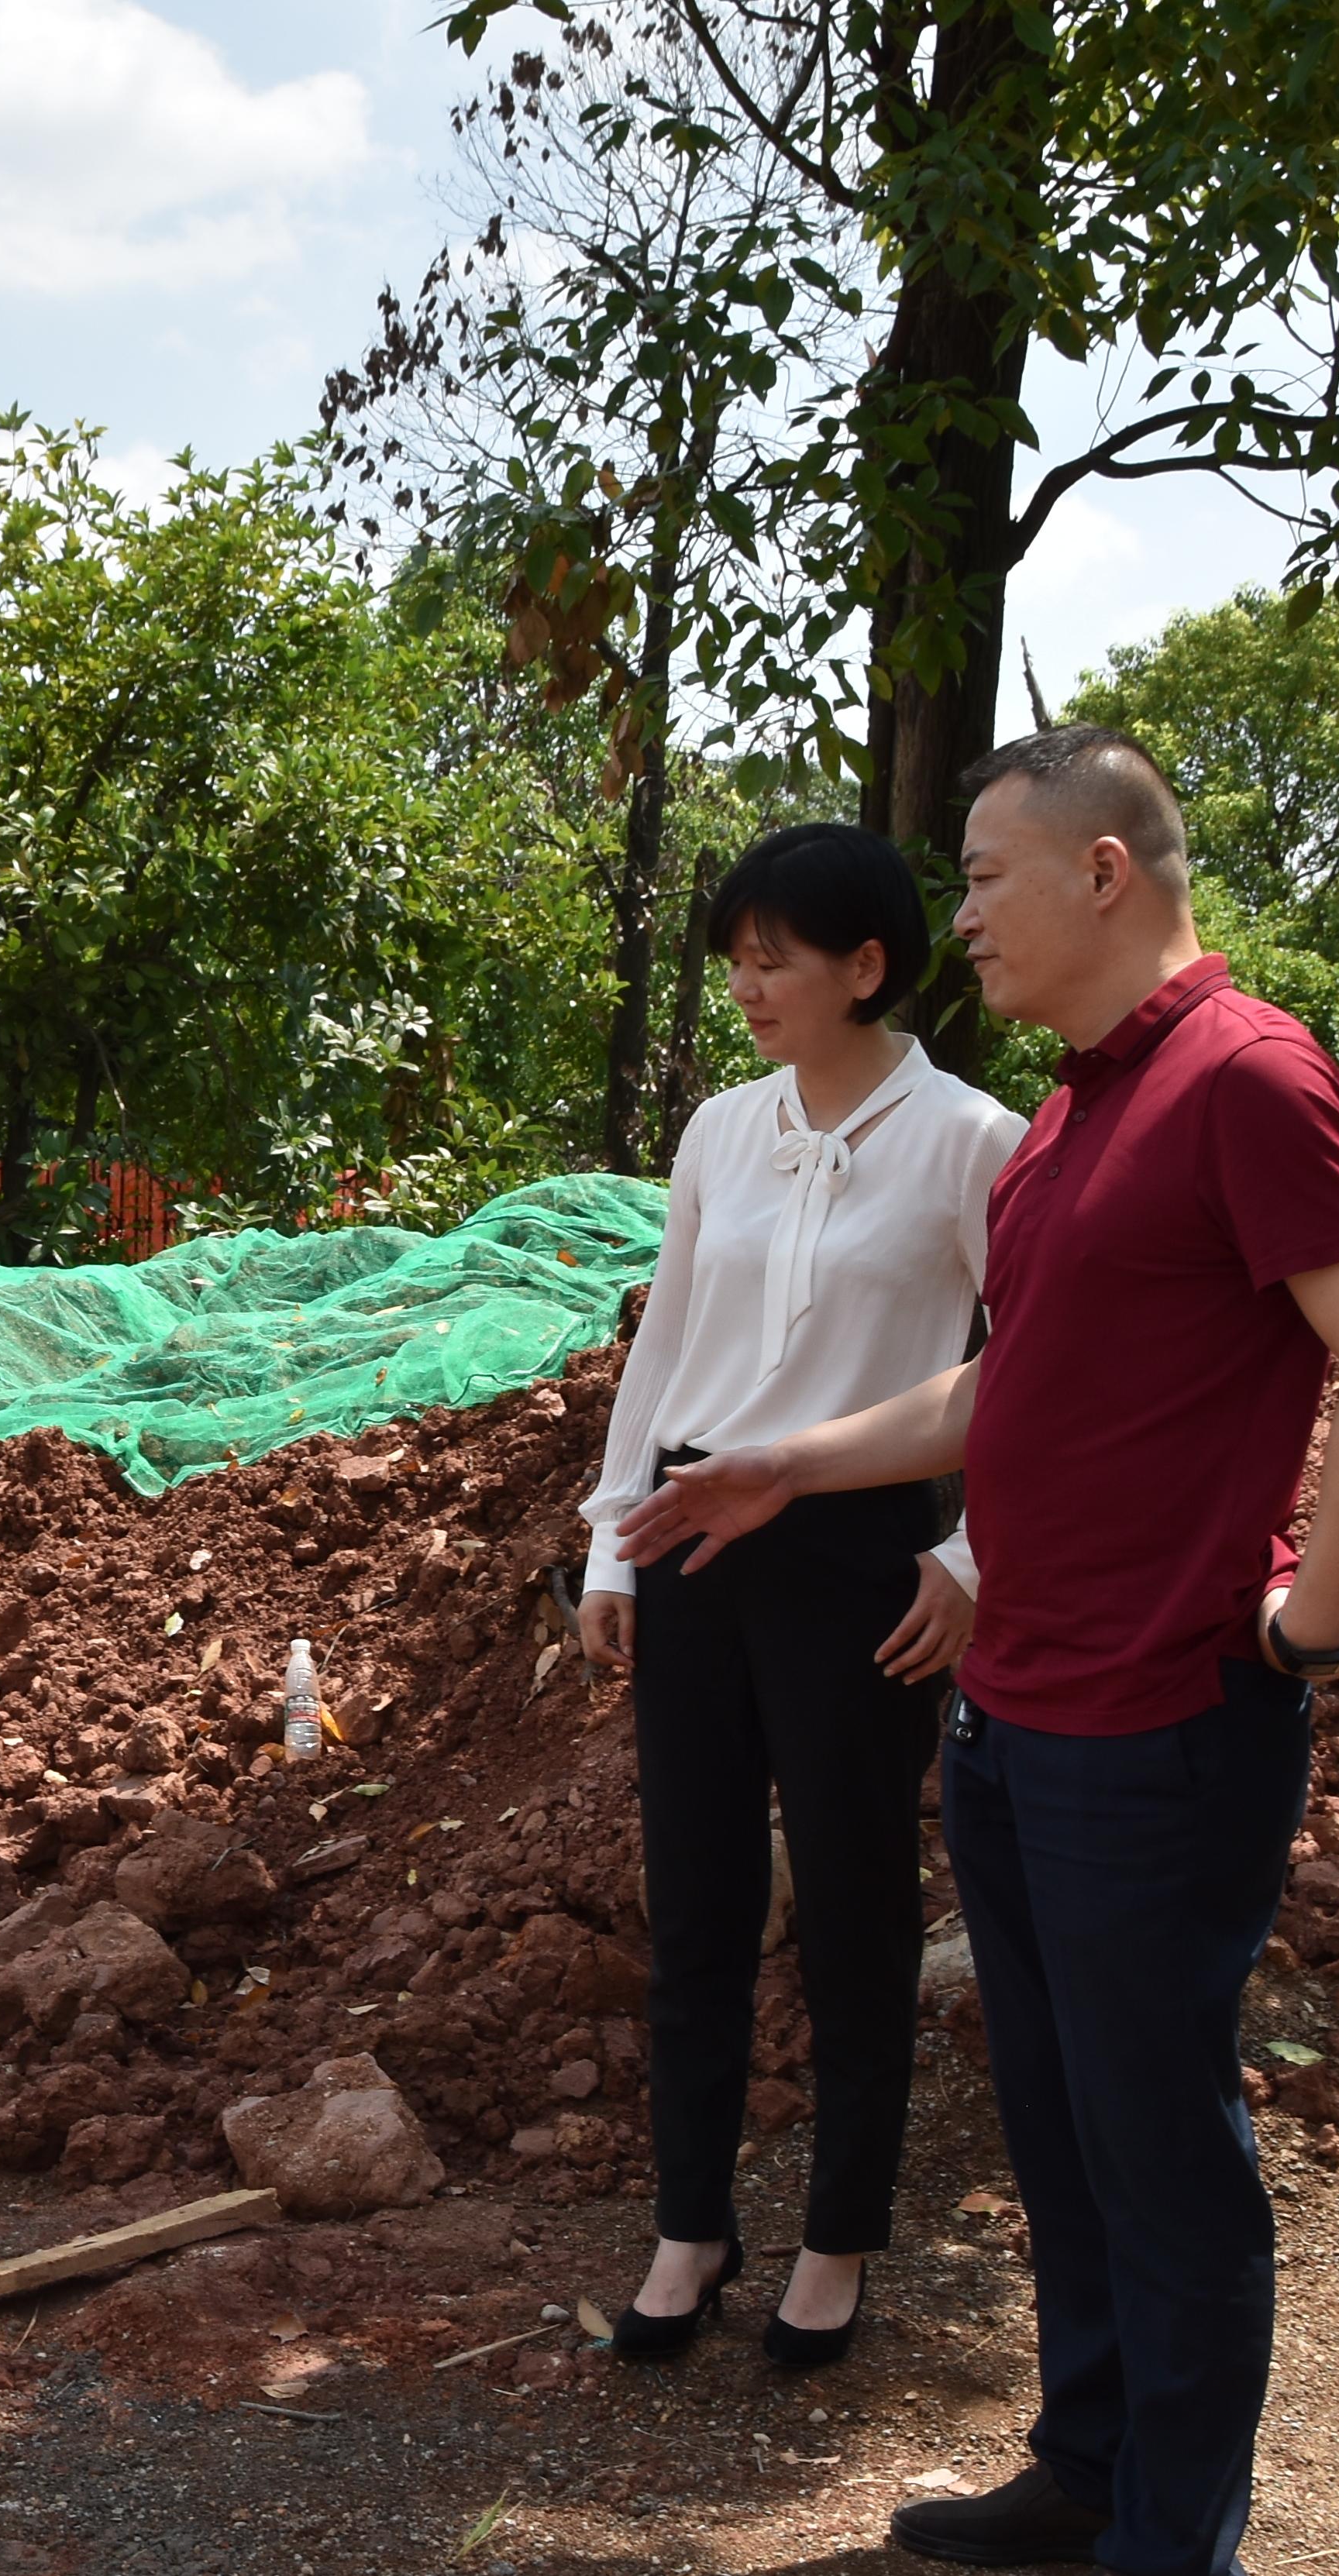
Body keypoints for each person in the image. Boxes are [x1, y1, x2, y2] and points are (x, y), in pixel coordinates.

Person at [629, 726, 1339, 2576]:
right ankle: (1087, 2471)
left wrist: (1303, 1626)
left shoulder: (1247, 1076)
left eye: (988, 880)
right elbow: (998, 1399)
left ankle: (1174, 2565)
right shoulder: (1086, 1112)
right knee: (1076, 2130)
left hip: (1163, 1712)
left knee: (1164, 2141)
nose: (963, 915)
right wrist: (785, 1468)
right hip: (1022, 1707)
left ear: (1105, 871)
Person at [574, 824, 1026, 2368]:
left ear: (868, 965)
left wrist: (972, 1562)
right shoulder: (721, 1130)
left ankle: (838, 2234)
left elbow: (1037, 1374)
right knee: (694, 1898)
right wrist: (609, 1542)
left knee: (851, 1904)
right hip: (695, 1533)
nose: (749, 984)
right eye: (738, 957)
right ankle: (690, 2221)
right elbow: (667, 1340)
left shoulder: (975, 1141)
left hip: (858, 1555)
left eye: (777, 956)